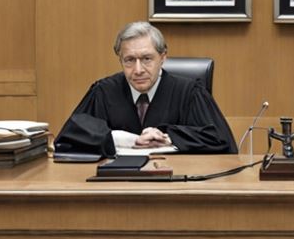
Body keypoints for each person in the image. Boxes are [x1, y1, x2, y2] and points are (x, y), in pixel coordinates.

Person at [54, 21, 237, 156]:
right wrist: (127, 139)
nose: (138, 70)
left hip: (175, 184)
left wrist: (168, 137)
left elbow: (221, 140)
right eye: (129, 60)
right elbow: (69, 137)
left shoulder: (189, 92)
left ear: (163, 57)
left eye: (147, 59)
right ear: (120, 60)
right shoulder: (104, 91)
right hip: (117, 185)